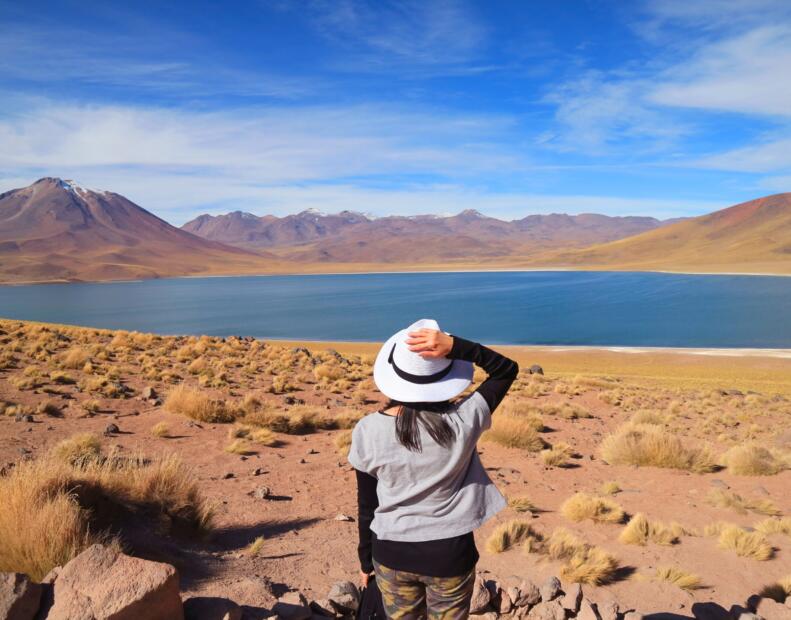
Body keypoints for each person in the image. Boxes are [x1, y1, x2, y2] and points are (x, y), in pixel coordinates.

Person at [347, 318, 519, 620]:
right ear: (446, 376)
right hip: (450, 555)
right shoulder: (464, 420)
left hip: (391, 554)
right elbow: (506, 370)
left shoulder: (367, 430)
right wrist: (457, 347)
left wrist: (366, 562)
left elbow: (367, 506)